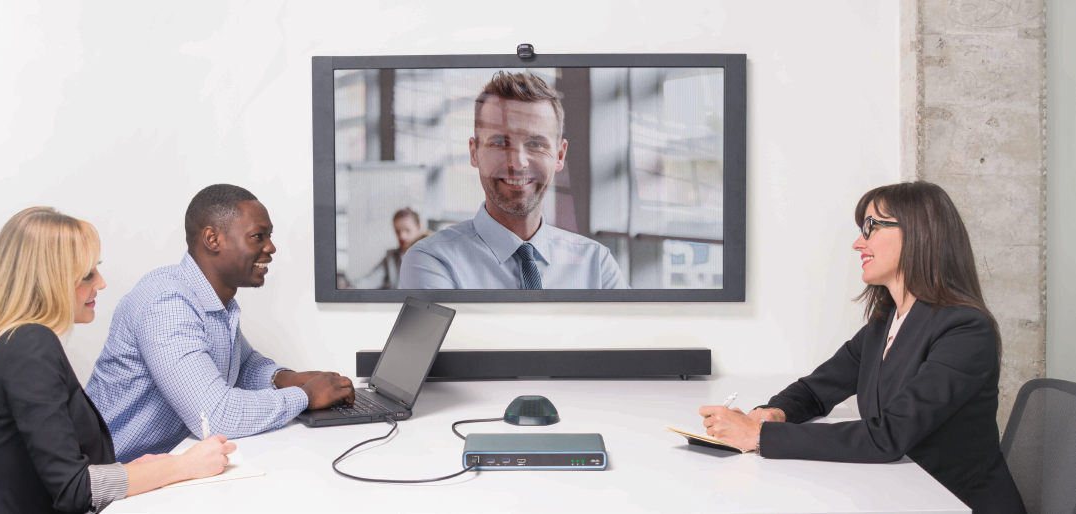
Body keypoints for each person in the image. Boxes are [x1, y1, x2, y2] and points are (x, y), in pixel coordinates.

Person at [696, 182, 1026, 513]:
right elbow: (816, 391)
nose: (858, 244)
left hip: (958, 504)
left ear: (917, 233)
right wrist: (774, 413)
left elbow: (889, 436)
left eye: (870, 227)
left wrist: (757, 436)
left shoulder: (965, 330)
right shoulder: (885, 324)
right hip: (901, 495)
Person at [0, 207, 236, 514]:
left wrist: (139, 469)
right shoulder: (29, 345)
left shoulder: (8, 344)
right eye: (88, 274)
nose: (101, 283)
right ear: (49, 279)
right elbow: (74, 489)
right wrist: (184, 466)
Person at [86, 184, 356, 463]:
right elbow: (216, 416)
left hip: (167, 467)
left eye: (270, 236)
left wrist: (284, 379)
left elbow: (244, 365)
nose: (271, 247)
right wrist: (304, 396)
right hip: (113, 485)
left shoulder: (214, 303)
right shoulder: (166, 303)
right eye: (258, 236)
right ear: (212, 239)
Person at [399, 71, 627, 290]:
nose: (518, 163)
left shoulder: (597, 264)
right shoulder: (433, 260)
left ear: (559, 156)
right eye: (499, 143)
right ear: (474, 152)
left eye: (536, 144)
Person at [350, 207, 431, 289]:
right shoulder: (391, 257)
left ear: (419, 228)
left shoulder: (431, 255)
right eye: (397, 231)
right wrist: (352, 289)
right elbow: (372, 279)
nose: (402, 236)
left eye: (407, 230)